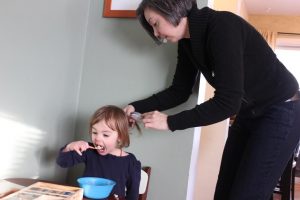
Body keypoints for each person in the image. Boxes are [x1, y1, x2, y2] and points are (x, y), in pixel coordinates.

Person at [123, 0, 300, 199]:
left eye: (155, 23)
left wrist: (170, 122)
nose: (155, 33)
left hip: (282, 109)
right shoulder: (187, 42)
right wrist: (135, 107)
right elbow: (180, 91)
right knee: (223, 193)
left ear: (173, 9)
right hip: (249, 111)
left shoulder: (222, 26)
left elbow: (227, 102)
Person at [57, 105, 141, 200]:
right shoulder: (88, 150)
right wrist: (69, 147)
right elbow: (62, 162)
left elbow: (133, 195)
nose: (97, 138)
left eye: (105, 134)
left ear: (120, 137)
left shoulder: (131, 162)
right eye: (94, 132)